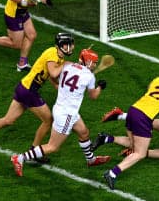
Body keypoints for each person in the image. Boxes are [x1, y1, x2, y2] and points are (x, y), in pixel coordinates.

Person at [0, 33, 74, 159]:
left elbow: (51, 76)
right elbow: (53, 71)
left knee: (8, 120)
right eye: (69, 45)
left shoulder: (58, 57)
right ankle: (34, 150)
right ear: (61, 45)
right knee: (48, 120)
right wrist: (67, 65)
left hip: (23, 87)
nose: (71, 47)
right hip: (29, 91)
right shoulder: (53, 54)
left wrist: (59, 87)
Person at [11, 47, 111, 176]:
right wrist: (100, 87)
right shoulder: (89, 76)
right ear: (88, 62)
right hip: (67, 114)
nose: (95, 64)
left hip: (63, 108)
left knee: (84, 132)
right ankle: (19, 158)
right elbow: (93, 96)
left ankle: (91, 160)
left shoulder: (67, 66)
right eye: (94, 62)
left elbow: (55, 78)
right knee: (53, 147)